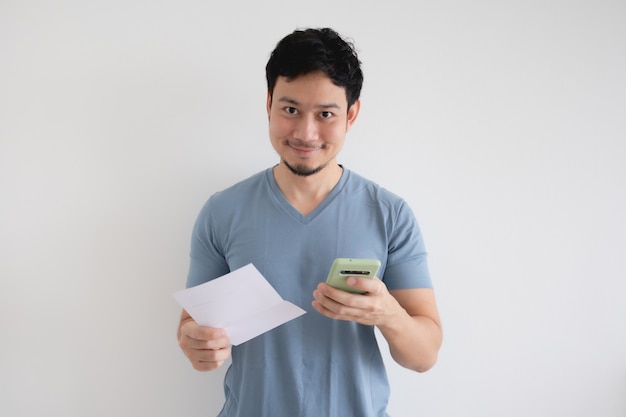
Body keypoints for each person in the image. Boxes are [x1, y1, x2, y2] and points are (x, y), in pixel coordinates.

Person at [177, 27, 442, 417]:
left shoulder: (389, 214)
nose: (306, 132)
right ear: (268, 103)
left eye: (325, 114)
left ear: (351, 114)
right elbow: (190, 329)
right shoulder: (222, 211)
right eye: (290, 110)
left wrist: (387, 313)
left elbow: (424, 356)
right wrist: (195, 344)